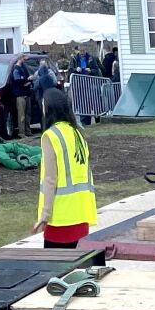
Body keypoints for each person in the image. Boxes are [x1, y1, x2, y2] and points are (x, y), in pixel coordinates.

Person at [31, 87, 97, 249]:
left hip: (61, 217)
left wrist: (44, 215)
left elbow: (50, 178)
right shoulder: (77, 133)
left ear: (49, 108)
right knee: (77, 268)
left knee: (55, 270)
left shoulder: (50, 136)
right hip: (82, 212)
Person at [8, 56, 33, 138]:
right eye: (23, 59)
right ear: (20, 59)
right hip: (20, 95)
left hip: (27, 94)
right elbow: (18, 81)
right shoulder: (16, 69)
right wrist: (27, 80)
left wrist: (27, 81)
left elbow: (27, 79)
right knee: (21, 115)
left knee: (28, 114)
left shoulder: (24, 68)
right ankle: (21, 133)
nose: (25, 60)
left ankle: (28, 131)